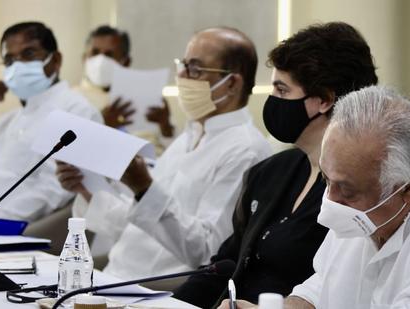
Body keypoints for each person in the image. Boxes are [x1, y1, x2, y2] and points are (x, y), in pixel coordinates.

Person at [176, 22, 379, 307]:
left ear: (324, 100)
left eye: (282, 91)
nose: (272, 101)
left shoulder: (354, 192)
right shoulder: (270, 172)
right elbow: (225, 265)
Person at [56, 26, 272, 280]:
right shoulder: (191, 135)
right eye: (183, 65)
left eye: (195, 68)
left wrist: (145, 189)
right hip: (114, 275)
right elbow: (136, 224)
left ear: (232, 83)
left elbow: (207, 252)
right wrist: (85, 189)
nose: (181, 75)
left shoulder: (244, 151)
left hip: (160, 289)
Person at [222, 86, 410, 309]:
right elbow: (320, 288)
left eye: (347, 190)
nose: (330, 201)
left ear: (408, 189)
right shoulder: (366, 207)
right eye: (325, 179)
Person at [0, 22, 102, 221]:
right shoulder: (9, 119)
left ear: (56, 60)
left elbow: (55, 189)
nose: (17, 65)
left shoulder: (76, 110)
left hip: (5, 235)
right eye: (9, 60)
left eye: (29, 54)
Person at [74, 25, 174, 154]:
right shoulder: (72, 99)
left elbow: (174, 154)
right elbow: (70, 153)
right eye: (95, 53)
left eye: (109, 55)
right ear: (84, 58)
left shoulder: (148, 96)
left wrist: (166, 127)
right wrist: (102, 125)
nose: (101, 60)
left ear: (126, 61)